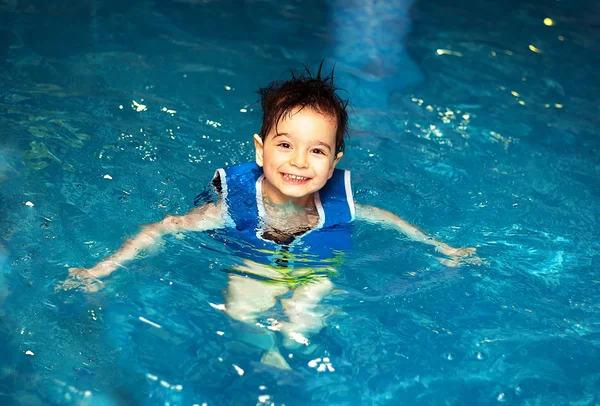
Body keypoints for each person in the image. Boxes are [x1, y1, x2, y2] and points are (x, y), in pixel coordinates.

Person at [61, 64, 479, 369]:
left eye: (316, 150)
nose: (299, 161)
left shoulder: (336, 204)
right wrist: (105, 267)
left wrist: (440, 247)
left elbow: (385, 218)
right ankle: (268, 354)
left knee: (303, 323)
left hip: (318, 261)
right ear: (261, 151)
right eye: (285, 145)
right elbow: (166, 227)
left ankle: (292, 351)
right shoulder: (237, 202)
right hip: (255, 257)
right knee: (241, 311)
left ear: (333, 163)